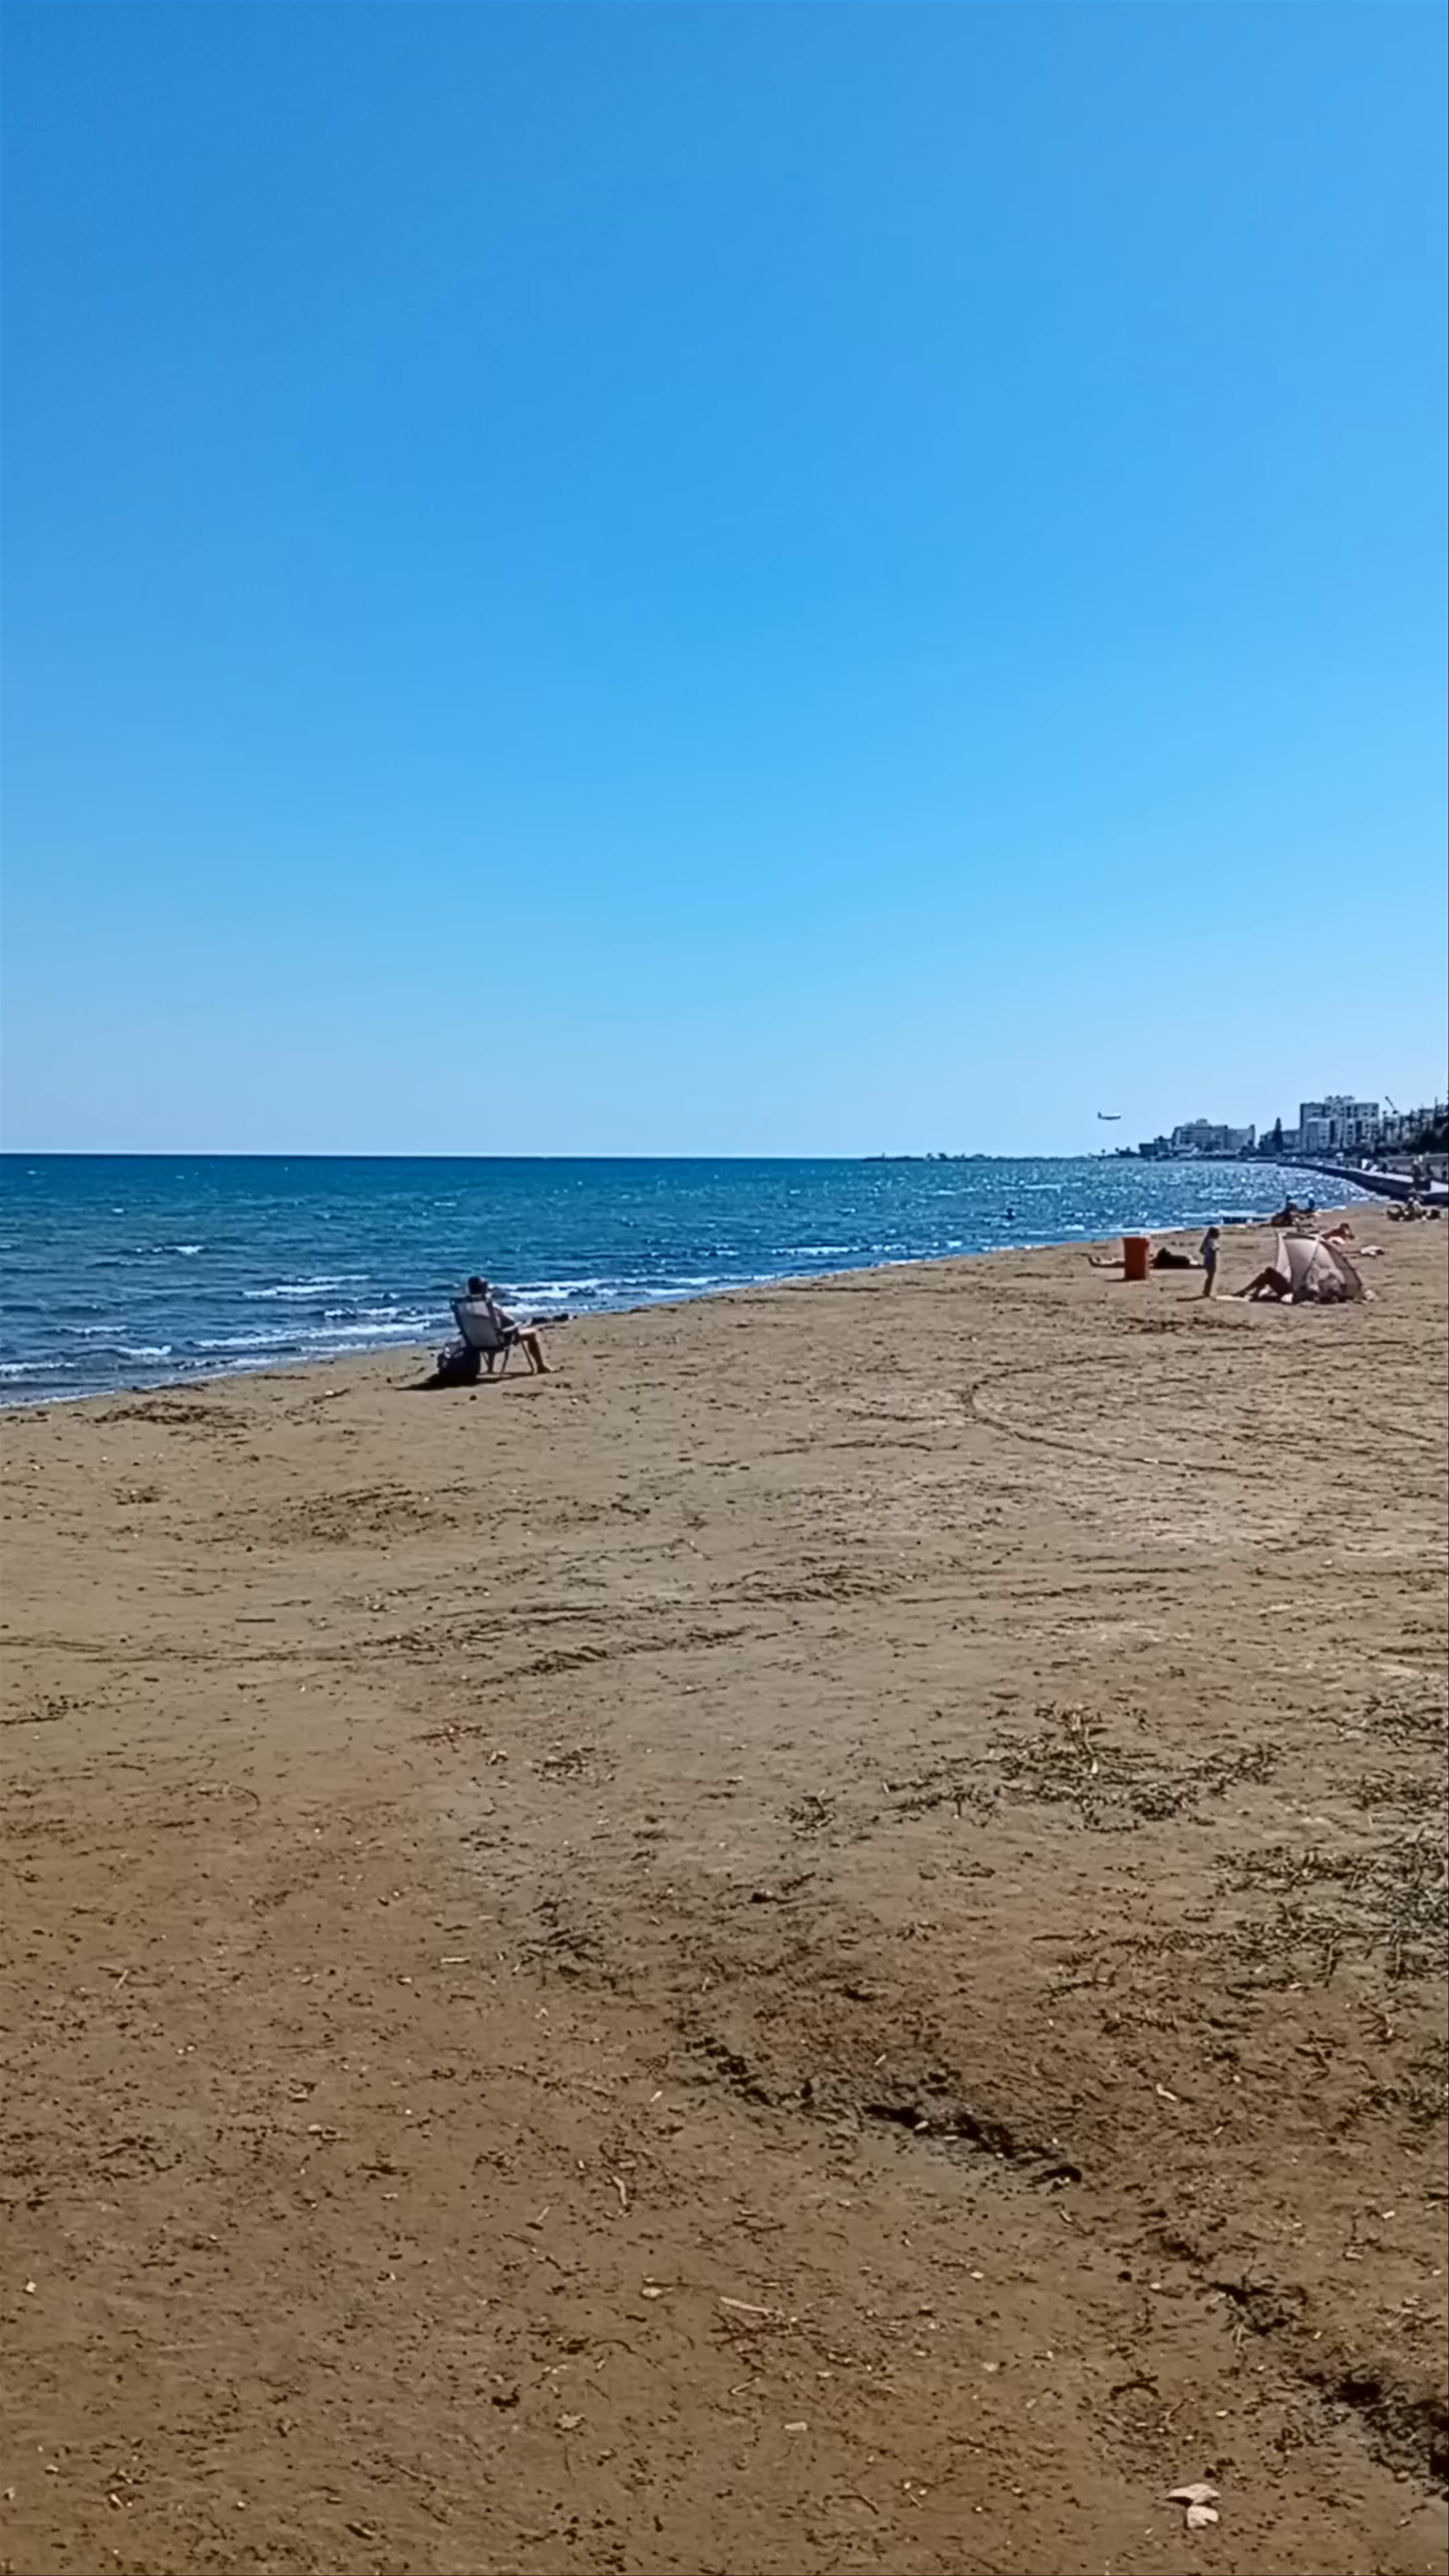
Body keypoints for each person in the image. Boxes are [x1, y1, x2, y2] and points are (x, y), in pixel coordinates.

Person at [466, 1276, 552, 1375]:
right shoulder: (489, 1305)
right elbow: (511, 1321)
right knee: (532, 1334)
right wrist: (517, 1325)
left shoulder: (467, 1305)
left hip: (477, 1341)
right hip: (500, 1341)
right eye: (487, 1288)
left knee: (490, 1331)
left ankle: (490, 1369)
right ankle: (541, 1366)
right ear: (483, 1289)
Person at [1200, 1224, 1221, 1298]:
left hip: (1207, 1260)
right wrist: (1218, 1248)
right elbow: (1213, 1249)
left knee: (1209, 1277)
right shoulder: (1211, 1241)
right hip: (1211, 1261)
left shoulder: (1207, 1240)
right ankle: (1207, 1293)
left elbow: (1202, 1251)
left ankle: (1206, 1292)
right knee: (1211, 1278)